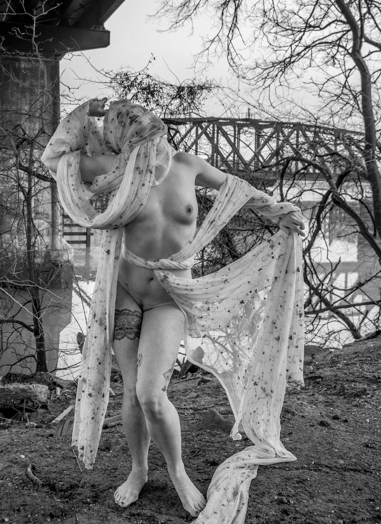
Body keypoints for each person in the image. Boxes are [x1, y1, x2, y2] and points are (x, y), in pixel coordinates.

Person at [42, 98, 305, 519]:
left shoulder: (187, 165)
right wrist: (83, 114)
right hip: (125, 293)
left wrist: (277, 211)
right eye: (139, 142)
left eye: (153, 137)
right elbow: (56, 160)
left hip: (170, 297)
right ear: (125, 143)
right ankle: (139, 470)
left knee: (151, 394)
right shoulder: (116, 168)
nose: (151, 149)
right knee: (132, 390)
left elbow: (236, 188)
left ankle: (178, 473)